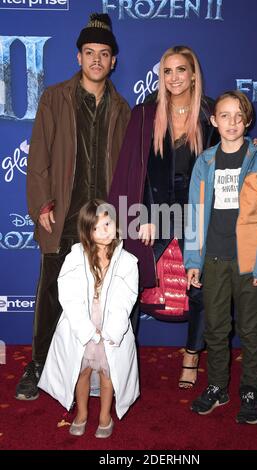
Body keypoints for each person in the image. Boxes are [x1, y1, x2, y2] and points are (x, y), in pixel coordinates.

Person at [109, 46, 257, 389]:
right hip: (154, 215)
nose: (174, 78)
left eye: (181, 70)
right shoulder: (144, 114)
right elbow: (133, 171)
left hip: (200, 218)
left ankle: (192, 355)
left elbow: (234, 146)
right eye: (167, 71)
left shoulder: (212, 113)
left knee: (201, 291)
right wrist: (138, 217)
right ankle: (121, 359)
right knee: (131, 290)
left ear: (193, 74)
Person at [15, 13, 131, 401]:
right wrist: (42, 203)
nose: (96, 59)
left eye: (103, 53)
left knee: (107, 296)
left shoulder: (123, 108)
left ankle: (106, 370)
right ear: (78, 57)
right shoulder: (54, 98)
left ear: (113, 60)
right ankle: (38, 363)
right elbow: (39, 158)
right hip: (62, 211)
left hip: (106, 222)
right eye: (89, 52)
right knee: (52, 290)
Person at [184, 91, 257, 424]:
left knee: (252, 330)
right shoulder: (205, 162)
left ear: (248, 120)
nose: (232, 122)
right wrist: (193, 262)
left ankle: (251, 390)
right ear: (213, 121)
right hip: (212, 258)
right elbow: (195, 215)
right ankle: (216, 387)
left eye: (238, 116)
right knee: (215, 328)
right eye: (224, 116)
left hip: (250, 261)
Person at [38, 199, 139, 438]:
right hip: (80, 326)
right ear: (87, 232)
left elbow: (126, 299)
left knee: (108, 373)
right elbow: (69, 295)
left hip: (111, 328)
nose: (104, 230)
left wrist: (111, 332)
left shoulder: (127, 261)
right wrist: (85, 330)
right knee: (80, 372)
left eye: (108, 223)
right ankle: (81, 413)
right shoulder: (75, 257)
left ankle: (105, 416)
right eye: (96, 227)